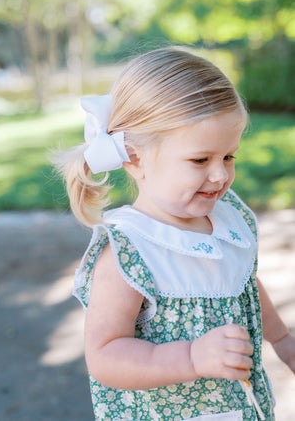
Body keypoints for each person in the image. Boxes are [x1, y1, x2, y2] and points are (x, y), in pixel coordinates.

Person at [55, 48, 295, 420]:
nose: (220, 175)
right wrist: (191, 357)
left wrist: (281, 339)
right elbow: (104, 354)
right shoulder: (130, 252)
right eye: (201, 160)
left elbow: (242, 282)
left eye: (229, 156)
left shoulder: (227, 220)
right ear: (135, 159)